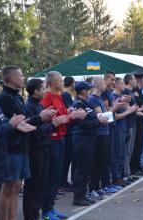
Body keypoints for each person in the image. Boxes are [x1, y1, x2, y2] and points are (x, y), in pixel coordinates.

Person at [0, 65, 55, 220]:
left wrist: (39, 117)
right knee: (7, 187)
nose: (23, 78)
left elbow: (25, 121)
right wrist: (41, 118)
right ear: (11, 78)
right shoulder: (4, 98)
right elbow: (14, 124)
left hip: (23, 146)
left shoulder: (16, 97)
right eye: (20, 75)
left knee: (16, 187)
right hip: (11, 148)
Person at [0, 71, 35, 220]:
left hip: (0, 158)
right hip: (0, 157)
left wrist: (16, 126)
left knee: (13, 189)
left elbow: (4, 124)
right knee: (1, 195)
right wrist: (11, 126)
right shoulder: (4, 98)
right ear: (11, 78)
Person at [40, 71, 86, 220]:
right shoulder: (46, 98)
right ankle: (46, 211)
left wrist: (72, 113)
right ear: (52, 83)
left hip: (61, 138)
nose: (63, 83)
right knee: (51, 175)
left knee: (57, 175)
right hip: (51, 140)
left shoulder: (59, 96)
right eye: (60, 80)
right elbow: (48, 119)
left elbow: (65, 116)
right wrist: (70, 116)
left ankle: (50, 208)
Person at [23, 79, 69, 220]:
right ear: (35, 91)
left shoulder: (38, 106)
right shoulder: (29, 106)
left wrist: (54, 119)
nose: (45, 90)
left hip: (45, 146)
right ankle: (33, 215)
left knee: (45, 182)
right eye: (43, 88)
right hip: (36, 149)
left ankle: (47, 210)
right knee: (34, 185)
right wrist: (54, 124)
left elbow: (43, 124)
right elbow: (35, 130)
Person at [71, 81, 108, 206]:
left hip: (89, 139)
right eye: (88, 89)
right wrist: (98, 121)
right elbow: (83, 123)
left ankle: (83, 194)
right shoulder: (78, 104)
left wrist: (97, 120)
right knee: (81, 169)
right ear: (83, 91)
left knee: (86, 168)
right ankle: (78, 196)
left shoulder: (84, 103)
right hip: (82, 139)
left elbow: (90, 119)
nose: (89, 91)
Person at [112, 78, 137, 187]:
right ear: (117, 85)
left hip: (124, 127)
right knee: (118, 154)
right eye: (121, 83)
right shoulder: (114, 98)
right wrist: (129, 111)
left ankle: (121, 176)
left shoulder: (121, 98)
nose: (123, 85)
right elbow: (115, 116)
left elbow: (129, 109)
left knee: (123, 153)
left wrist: (129, 108)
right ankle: (116, 178)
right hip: (117, 129)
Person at [60, 76, 75, 191]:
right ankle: (62, 182)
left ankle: (63, 181)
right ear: (72, 83)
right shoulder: (65, 95)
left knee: (67, 159)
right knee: (65, 159)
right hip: (67, 131)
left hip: (68, 130)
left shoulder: (66, 95)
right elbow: (69, 110)